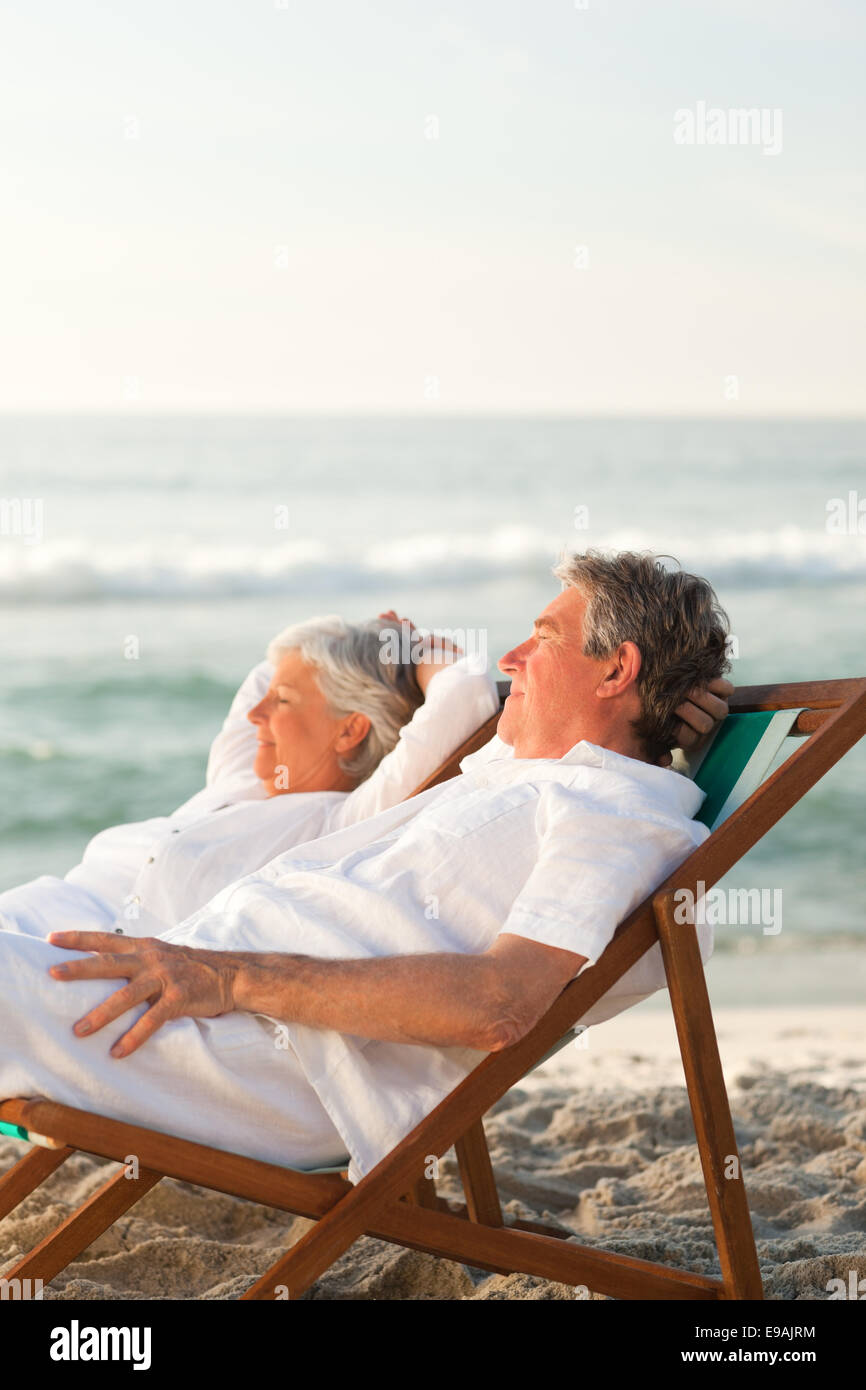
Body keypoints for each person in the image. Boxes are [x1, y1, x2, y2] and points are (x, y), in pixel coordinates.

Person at [0, 551, 733, 1184]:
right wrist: (667, 702)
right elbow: (544, 713)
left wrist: (228, 975)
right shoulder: (524, 771)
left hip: (262, 1055)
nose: (512, 658)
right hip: (197, 1002)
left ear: (616, 668)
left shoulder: (613, 815)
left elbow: (501, 1003)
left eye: (542, 638)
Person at [0, 613, 499, 940]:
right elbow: (266, 671)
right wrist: (365, 634)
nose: (256, 713)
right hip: (26, 916)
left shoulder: (340, 826)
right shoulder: (239, 780)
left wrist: (414, 648)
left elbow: (464, 695)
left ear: (350, 731)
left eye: (282, 702)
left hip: (65, 965)